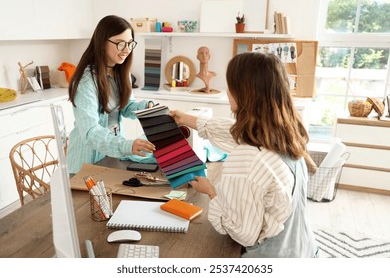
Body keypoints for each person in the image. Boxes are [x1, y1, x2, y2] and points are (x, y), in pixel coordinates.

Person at [169, 52, 318, 258]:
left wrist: (211, 192)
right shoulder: (288, 136)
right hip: (304, 251)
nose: (227, 91)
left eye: (230, 85)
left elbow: (242, 234)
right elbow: (234, 131)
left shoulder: (250, 158)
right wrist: (186, 118)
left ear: (243, 93)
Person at [67, 15, 156, 174]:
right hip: (86, 161)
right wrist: (127, 145)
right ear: (102, 44)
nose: (127, 49)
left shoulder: (121, 72)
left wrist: (147, 107)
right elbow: (90, 131)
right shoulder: (86, 80)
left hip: (111, 155)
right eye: (121, 44)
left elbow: (126, 107)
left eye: (130, 43)